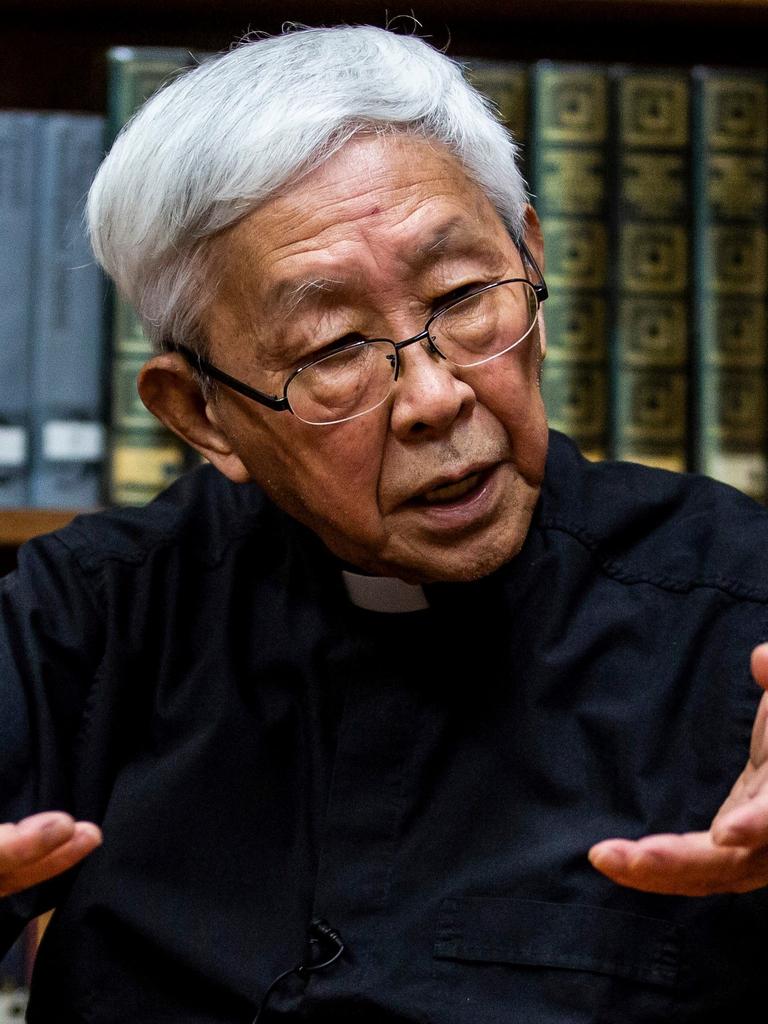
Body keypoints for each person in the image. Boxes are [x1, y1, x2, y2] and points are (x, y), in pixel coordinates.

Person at [2, 23, 768, 1022]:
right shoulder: (90, 617)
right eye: (332, 347)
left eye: (463, 297)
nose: (434, 397)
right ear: (202, 414)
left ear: (531, 261)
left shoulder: (737, 603)